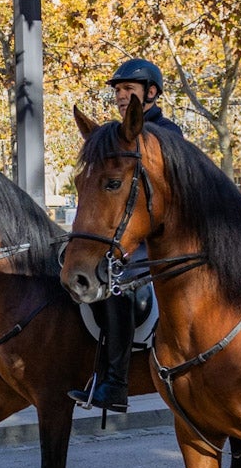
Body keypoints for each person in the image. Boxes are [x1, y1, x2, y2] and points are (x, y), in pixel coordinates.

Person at [68, 58, 183, 413]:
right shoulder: (113, 136)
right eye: (118, 91)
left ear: (151, 93)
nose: (120, 96)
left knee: (119, 284)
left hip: (158, 240)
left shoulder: (168, 134)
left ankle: (115, 382)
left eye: (128, 90)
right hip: (120, 236)